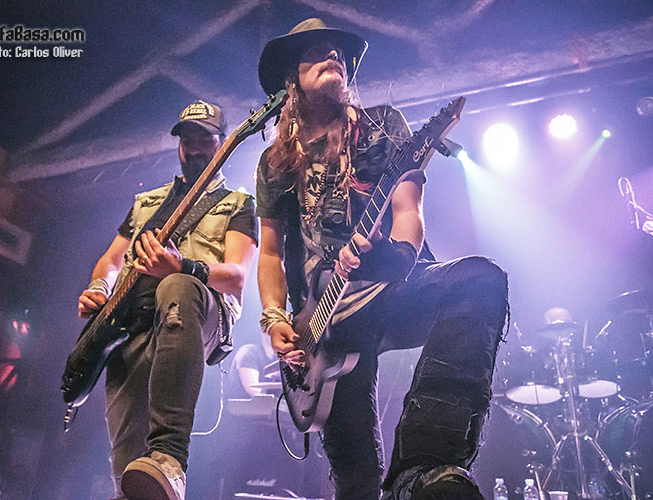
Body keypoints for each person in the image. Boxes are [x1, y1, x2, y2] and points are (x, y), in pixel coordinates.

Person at [255, 19, 509, 500]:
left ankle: (427, 459)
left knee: (480, 280)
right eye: (316, 51)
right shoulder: (274, 163)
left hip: (391, 286)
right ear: (291, 79)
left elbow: (407, 210)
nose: (332, 54)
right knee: (357, 479)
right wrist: (273, 319)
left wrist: (395, 255)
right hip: (324, 327)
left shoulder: (382, 126)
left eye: (337, 50)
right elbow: (269, 252)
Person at [76, 100, 258, 500]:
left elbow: (236, 276)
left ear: (222, 143)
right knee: (129, 475)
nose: (194, 149)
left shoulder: (238, 204)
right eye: (187, 140)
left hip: (199, 312)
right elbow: (111, 260)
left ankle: (170, 454)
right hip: (130, 329)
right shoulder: (147, 202)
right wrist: (100, 288)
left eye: (204, 140)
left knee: (177, 287)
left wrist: (184, 266)